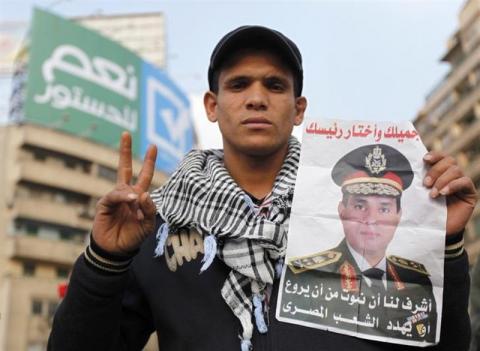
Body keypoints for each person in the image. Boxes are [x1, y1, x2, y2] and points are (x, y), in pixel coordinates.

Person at [48, 25, 477, 351]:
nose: (257, 98)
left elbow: (440, 342)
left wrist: (449, 246)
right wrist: (104, 259)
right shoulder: (156, 224)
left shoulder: (354, 214)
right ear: (212, 106)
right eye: (238, 84)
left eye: (274, 85)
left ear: (298, 109)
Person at [282, 144, 437, 342]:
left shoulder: (417, 280)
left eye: (383, 209)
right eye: (359, 205)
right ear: (341, 210)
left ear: (398, 216)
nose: (371, 219)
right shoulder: (305, 277)